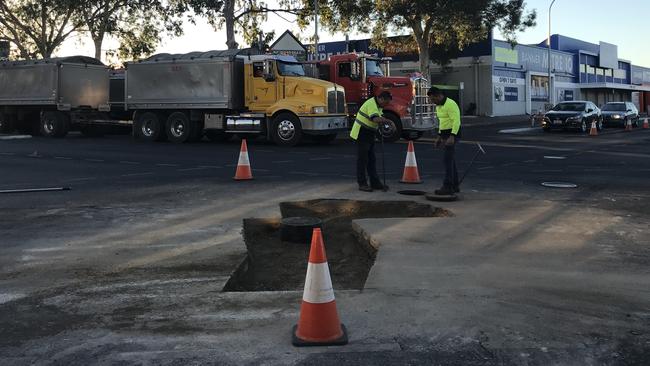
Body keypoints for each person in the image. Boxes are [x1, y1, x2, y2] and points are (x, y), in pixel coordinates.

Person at [350, 91, 393, 192]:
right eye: (386, 102)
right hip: (361, 132)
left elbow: (380, 117)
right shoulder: (371, 104)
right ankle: (362, 183)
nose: (386, 105)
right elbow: (375, 119)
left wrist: (384, 123)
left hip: (369, 133)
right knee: (363, 159)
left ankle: (375, 182)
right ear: (381, 99)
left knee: (371, 159)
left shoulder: (378, 106)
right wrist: (389, 121)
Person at [428, 86, 461, 195]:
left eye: (433, 99)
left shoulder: (450, 104)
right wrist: (439, 137)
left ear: (438, 96)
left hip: (453, 134)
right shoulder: (439, 106)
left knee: (447, 160)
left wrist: (452, 136)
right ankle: (455, 185)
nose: (432, 102)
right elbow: (442, 122)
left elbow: (456, 121)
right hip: (445, 134)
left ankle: (448, 186)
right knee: (451, 160)